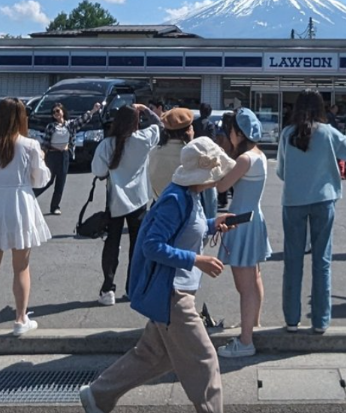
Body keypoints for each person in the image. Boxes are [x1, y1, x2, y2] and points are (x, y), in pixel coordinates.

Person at [79, 137, 235, 413]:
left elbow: (186, 230)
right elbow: (152, 246)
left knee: (153, 355)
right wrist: (196, 259)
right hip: (173, 294)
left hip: (172, 292)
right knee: (205, 359)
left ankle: (98, 395)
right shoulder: (176, 199)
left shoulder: (187, 194)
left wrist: (212, 225)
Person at [276, 89, 346, 334]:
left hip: (293, 201)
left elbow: (281, 171)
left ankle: (292, 320)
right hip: (323, 200)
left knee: (292, 261)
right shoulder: (327, 132)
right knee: (322, 261)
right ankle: (320, 321)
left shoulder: (287, 134)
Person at [0, 98, 51, 337]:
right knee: (21, 266)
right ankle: (20, 319)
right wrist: (42, 159)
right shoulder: (30, 145)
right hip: (21, 203)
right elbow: (40, 180)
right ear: (21, 118)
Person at [212, 109, 271, 359]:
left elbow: (221, 186)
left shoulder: (245, 159)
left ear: (238, 132)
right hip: (254, 219)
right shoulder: (260, 155)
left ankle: (246, 341)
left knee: (244, 285)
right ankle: (252, 326)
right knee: (254, 279)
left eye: (231, 131)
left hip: (241, 221)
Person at [91, 104, 163, 306]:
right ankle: (133, 287)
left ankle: (108, 289)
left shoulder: (107, 144)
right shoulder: (143, 139)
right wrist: (146, 110)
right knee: (136, 246)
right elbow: (160, 125)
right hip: (139, 199)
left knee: (112, 244)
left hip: (115, 201)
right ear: (136, 122)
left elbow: (98, 171)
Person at [37, 102, 102, 216]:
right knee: (48, 179)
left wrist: (93, 110)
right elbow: (45, 143)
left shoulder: (69, 125)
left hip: (64, 155)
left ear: (62, 112)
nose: (56, 114)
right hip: (52, 155)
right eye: (53, 112)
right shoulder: (51, 126)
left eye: (57, 111)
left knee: (61, 182)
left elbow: (82, 120)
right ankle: (32, 195)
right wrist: (42, 154)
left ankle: (55, 206)